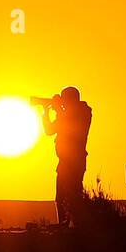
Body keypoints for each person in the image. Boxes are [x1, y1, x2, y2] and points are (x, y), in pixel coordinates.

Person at [41, 85, 92, 227]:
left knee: (73, 194)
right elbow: (49, 130)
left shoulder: (83, 112)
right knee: (61, 196)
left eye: (65, 100)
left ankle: (76, 225)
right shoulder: (67, 114)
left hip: (74, 161)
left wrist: (58, 109)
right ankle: (65, 224)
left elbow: (69, 123)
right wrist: (45, 113)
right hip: (64, 162)